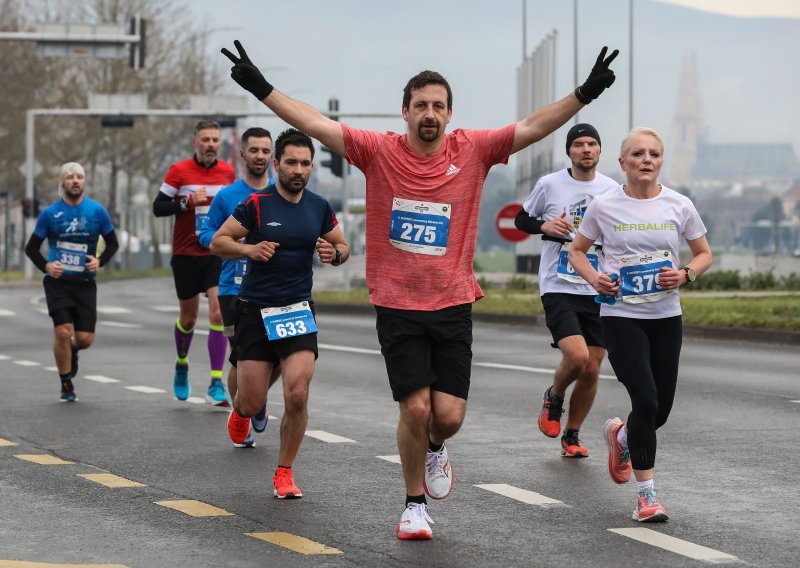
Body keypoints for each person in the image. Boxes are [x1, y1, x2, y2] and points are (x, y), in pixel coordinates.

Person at [221, 39, 618, 539]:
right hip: (397, 303)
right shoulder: (378, 150)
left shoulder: (473, 149)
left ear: (450, 113)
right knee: (415, 407)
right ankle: (413, 505)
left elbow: (534, 126)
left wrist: (584, 93)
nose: (429, 114)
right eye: (420, 106)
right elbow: (313, 122)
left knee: (446, 418)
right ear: (404, 111)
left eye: (438, 106)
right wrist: (260, 87)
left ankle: (436, 447)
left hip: (452, 301)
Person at [567, 127, 712, 522]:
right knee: (645, 401)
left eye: (653, 154)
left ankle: (622, 435)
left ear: (661, 160)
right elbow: (578, 251)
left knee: (659, 412)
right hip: (621, 316)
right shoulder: (605, 205)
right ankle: (647, 497)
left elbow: (703, 254)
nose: (646, 160)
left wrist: (685, 274)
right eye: (637, 154)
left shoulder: (679, 205)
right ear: (622, 163)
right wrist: (594, 278)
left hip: (666, 316)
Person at [211, 128, 349, 498]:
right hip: (255, 309)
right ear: (277, 164)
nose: (298, 169)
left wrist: (334, 255)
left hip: (297, 310)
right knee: (251, 401)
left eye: (305, 163)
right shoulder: (257, 204)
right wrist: (249, 250)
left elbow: (342, 245)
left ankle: (285, 472)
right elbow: (218, 241)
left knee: (298, 393)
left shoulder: (319, 206)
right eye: (291, 162)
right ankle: (241, 413)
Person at [515, 123, 617, 457]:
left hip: (597, 284)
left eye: (592, 144)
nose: (586, 149)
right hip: (558, 284)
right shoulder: (549, 184)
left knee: (592, 366)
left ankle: (572, 436)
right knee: (577, 356)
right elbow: (521, 219)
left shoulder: (613, 189)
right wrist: (544, 225)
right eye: (579, 144)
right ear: (570, 151)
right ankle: (555, 394)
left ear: (600, 151)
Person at [197, 127, 281, 447]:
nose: (260, 156)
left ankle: (254, 399)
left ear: (272, 156)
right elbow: (208, 236)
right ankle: (244, 412)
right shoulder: (227, 196)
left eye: (265, 150)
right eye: (254, 150)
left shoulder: (280, 194)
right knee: (242, 355)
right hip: (234, 286)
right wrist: (236, 241)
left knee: (273, 355)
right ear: (242, 154)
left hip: (273, 286)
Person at [153, 120, 235, 406]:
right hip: (186, 254)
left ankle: (215, 382)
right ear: (195, 143)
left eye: (215, 140)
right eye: (206, 140)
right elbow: (158, 207)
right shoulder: (179, 171)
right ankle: (182, 362)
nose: (211, 145)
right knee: (188, 318)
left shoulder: (228, 172)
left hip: (215, 253)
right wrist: (186, 202)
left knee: (217, 315)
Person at [25, 162, 119, 402]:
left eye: (79, 177)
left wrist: (99, 261)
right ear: (63, 182)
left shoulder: (96, 211)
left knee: (85, 339)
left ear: (84, 182)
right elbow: (32, 248)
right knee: (63, 331)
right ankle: (66, 383)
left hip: (85, 281)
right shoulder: (50, 214)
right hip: (58, 281)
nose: (75, 181)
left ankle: (74, 351)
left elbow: (113, 243)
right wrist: (46, 265)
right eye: (70, 177)